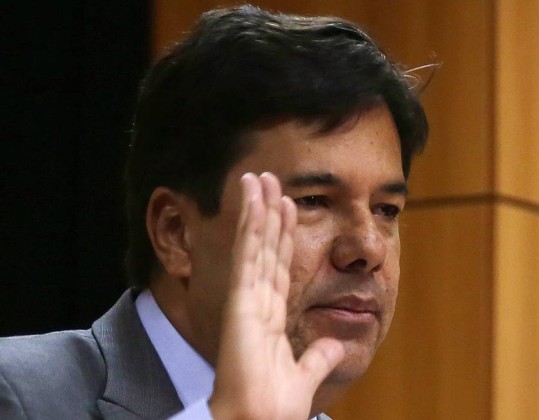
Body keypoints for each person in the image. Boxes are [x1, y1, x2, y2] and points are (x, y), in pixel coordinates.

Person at [0, 4, 428, 419]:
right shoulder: (16, 395)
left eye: (386, 209)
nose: (368, 248)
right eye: (312, 200)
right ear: (176, 233)